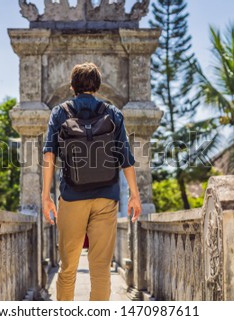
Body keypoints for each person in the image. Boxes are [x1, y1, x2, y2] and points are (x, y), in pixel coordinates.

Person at [41, 62, 142, 301]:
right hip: (106, 198)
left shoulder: (60, 112)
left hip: (72, 196)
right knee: (100, 271)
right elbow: (126, 158)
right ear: (97, 85)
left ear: (72, 85)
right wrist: (135, 196)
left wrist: (46, 196)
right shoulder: (113, 113)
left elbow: (49, 154)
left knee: (68, 268)